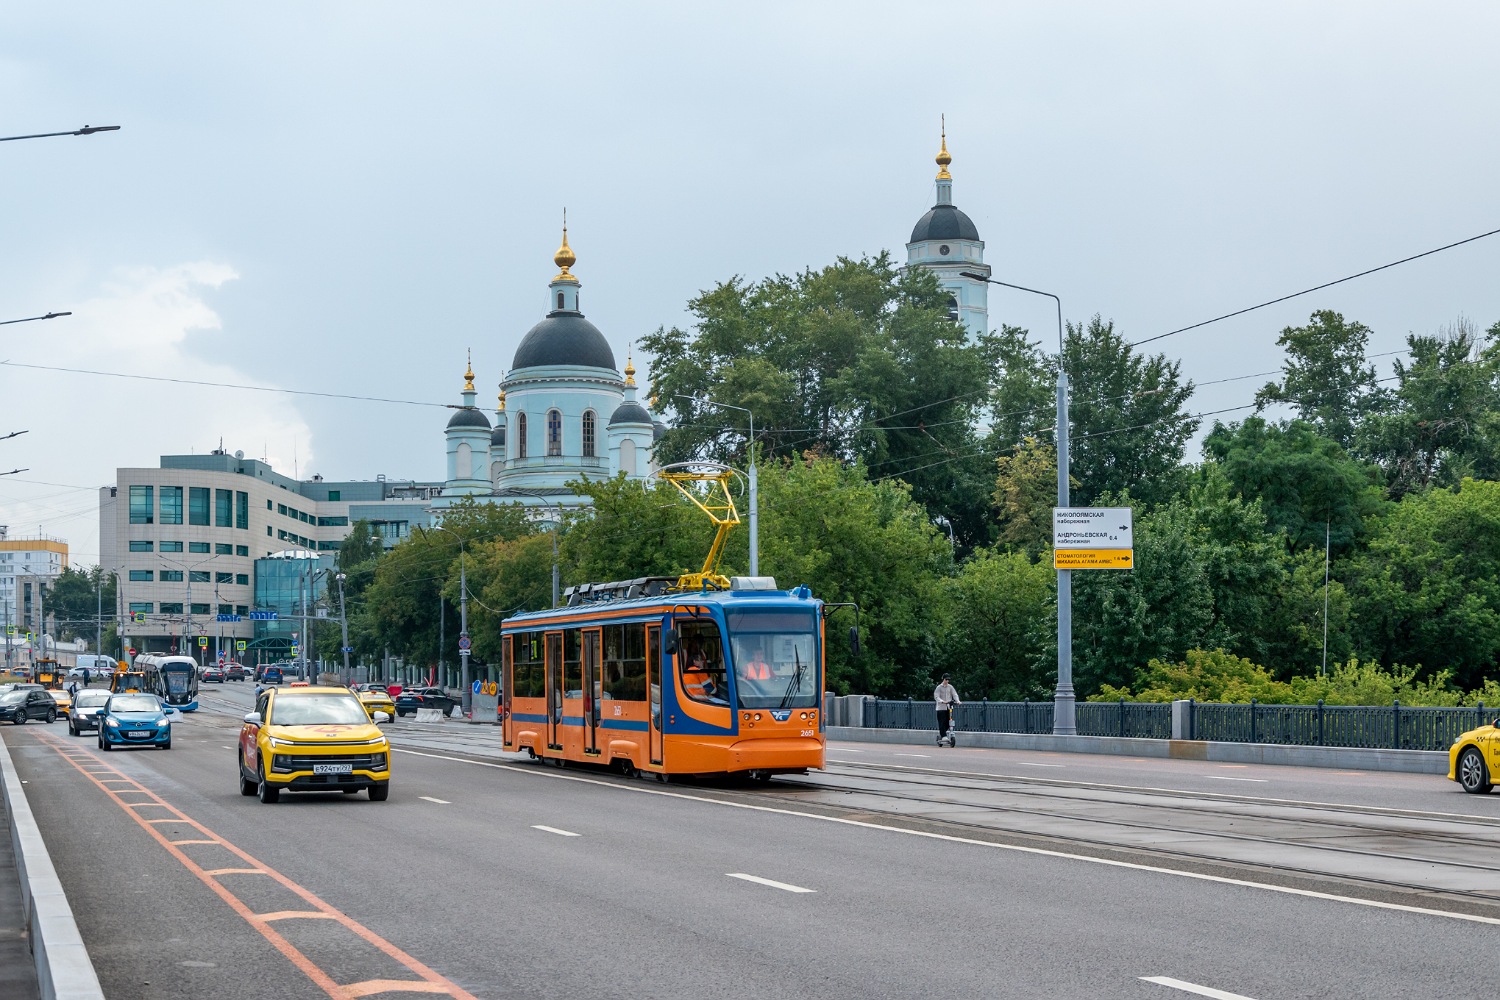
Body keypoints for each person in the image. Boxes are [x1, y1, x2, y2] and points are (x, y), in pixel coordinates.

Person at [933, 673, 961, 745]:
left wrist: (957, 701)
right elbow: (936, 696)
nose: (947, 681)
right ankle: (944, 736)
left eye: (948, 680)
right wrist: (942, 701)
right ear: (943, 679)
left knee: (949, 722)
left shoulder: (950, 687)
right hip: (941, 708)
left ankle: (942, 734)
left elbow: (954, 694)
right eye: (946, 679)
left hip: (948, 707)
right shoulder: (939, 687)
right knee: (942, 722)